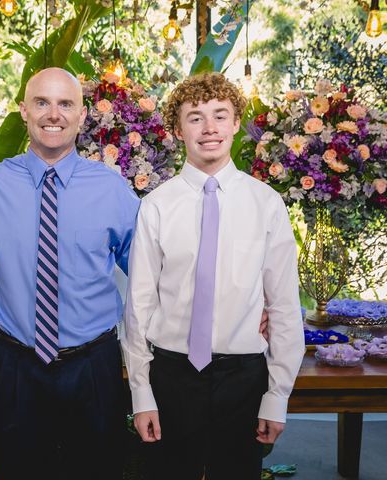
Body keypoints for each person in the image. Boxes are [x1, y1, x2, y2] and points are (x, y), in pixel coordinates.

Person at [121, 72, 305, 479]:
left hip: (243, 378)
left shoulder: (266, 205)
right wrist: (142, 392)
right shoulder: (156, 206)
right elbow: (139, 306)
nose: (209, 129)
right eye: (195, 117)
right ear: (176, 129)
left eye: (220, 116)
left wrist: (277, 396)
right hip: (171, 376)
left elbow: (285, 307)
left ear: (236, 123)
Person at [0, 67, 140, 479]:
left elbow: (152, 275)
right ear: (24, 111)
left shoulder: (112, 189)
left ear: (82, 117)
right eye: (42, 102)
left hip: (93, 367)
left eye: (66, 104)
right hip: (16, 366)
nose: (53, 114)